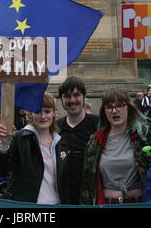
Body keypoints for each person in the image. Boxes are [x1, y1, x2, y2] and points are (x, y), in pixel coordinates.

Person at [80, 88, 151, 205]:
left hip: (138, 203)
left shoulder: (144, 136)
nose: (114, 111)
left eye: (119, 106)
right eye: (109, 107)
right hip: (107, 203)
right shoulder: (95, 141)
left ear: (128, 108)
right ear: (104, 111)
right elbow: (87, 181)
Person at [0, 93, 62, 204]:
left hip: (56, 204)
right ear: (31, 114)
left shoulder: (60, 142)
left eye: (47, 111)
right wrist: (4, 145)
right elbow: (1, 171)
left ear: (54, 114)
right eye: (37, 111)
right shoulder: (20, 138)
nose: (42, 116)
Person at [56, 76, 98, 205]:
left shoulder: (97, 124)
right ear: (62, 99)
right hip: (64, 198)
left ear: (84, 97)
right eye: (67, 96)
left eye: (76, 95)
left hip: (92, 197)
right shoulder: (56, 128)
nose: (72, 100)